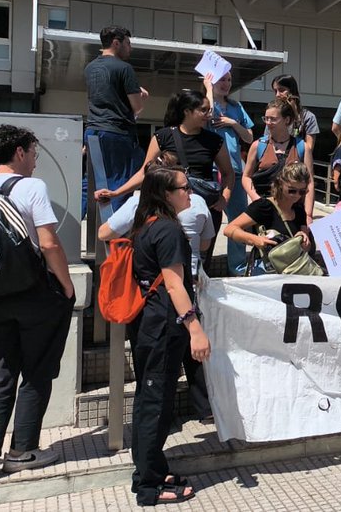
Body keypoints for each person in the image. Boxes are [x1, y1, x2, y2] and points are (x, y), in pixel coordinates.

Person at [0, 125, 75, 484]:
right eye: (34, 153)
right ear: (19, 152)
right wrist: (67, 287)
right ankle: (22, 452)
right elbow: (49, 243)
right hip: (36, 295)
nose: (36, 161)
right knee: (36, 372)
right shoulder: (32, 188)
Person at [99, 153, 215, 422]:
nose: (190, 191)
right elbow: (205, 246)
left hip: (160, 297)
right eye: (184, 186)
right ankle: (200, 408)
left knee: (157, 372)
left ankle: (162, 419)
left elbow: (105, 233)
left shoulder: (142, 211)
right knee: (185, 354)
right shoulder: (186, 213)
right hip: (181, 289)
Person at [126, 164, 210, 505]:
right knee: (155, 404)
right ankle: (148, 486)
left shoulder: (145, 226)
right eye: (183, 188)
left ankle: (152, 470)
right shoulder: (168, 231)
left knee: (152, 401)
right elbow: (174, 283)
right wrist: (195, 328)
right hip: (162, 326)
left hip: (149, 323)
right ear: (165, 194)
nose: (189, 193)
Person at [95, 90, 234, 262]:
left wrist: (224, 199)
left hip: (204, 207)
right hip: (169, 205)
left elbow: (228, 173)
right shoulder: (163, 136)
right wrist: (116, 193)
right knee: (167, 255)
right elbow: (145, 172)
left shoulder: (214, 140)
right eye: (203, 110)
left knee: (200, 259)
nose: (208, 114)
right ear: (187, 111)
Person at [84, 26, 148, 215]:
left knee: (91, 182)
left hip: (93, 129)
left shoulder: (90, 68)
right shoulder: (124, 68)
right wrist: (140, 95)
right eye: (128, 43)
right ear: (116, 43)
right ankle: (116, 234)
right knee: (120, 184)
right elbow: (137, 107)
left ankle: (83, 225)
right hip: (117, 132)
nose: (131, 48)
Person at [203, 72, 253, 275]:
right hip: (211, 172)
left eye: (229, 80)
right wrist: (208, 88)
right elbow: (206, 114)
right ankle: (201, 269)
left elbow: (249, 137)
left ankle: (238, 269)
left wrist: (232, 123)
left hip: (235, 172)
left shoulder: (236, 107)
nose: (226, 84)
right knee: (205, 223)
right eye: (221, 80)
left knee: (238, 222)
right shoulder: (205, 103)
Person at [223, 163, 313, 276]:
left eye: (302, 191)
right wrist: (255, 239)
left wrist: (303, 238)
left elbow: (307, 247)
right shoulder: (264, 206)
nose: (297, 196)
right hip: (266, 269)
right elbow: (229, 229)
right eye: (292, 190)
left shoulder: (299, 210)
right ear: (280, 184)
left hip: (292, 270)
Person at [242, 99, 314, 221]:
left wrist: (308, 214)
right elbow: (246, 176)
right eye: (266, 118)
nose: (268, 123)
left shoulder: (302, 147)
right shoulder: (258, 145)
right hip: (264, 207)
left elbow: (310, 182)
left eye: (273, 119)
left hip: (293, 210)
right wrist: (256, 199)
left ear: (286, 120)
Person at [270, 74, 319, 154]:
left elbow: (309, 148)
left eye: (281, 90)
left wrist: (296, 114)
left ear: (291, 91)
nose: (277, 95)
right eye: (275, 91)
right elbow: (268, 141)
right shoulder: (273, 114)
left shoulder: (308, 117)